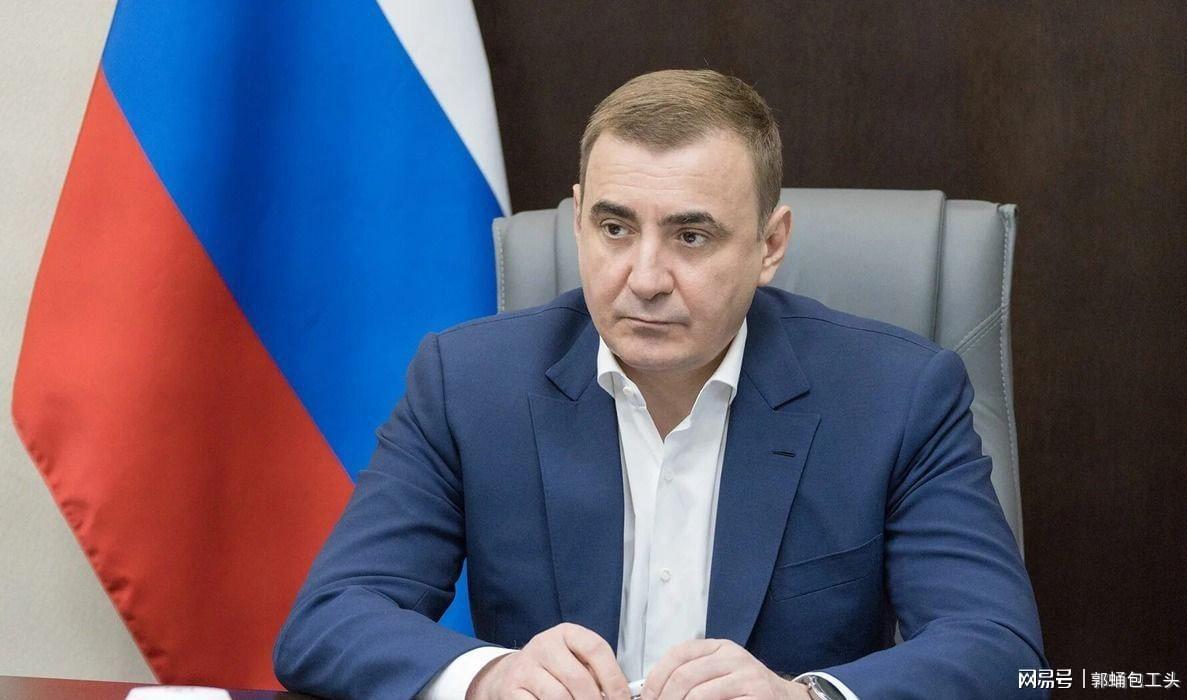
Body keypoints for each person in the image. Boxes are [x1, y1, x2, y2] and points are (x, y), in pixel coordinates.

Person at [274, 69, 1046, 700]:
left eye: (691, 235)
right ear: (578, 220)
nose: (644, 278)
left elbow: (1004, 653)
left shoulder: (896, 396)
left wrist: (804, 698)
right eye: (615, 229)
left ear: (770, 245)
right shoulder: (468, 383)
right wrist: (491, 678)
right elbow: (330, 620)